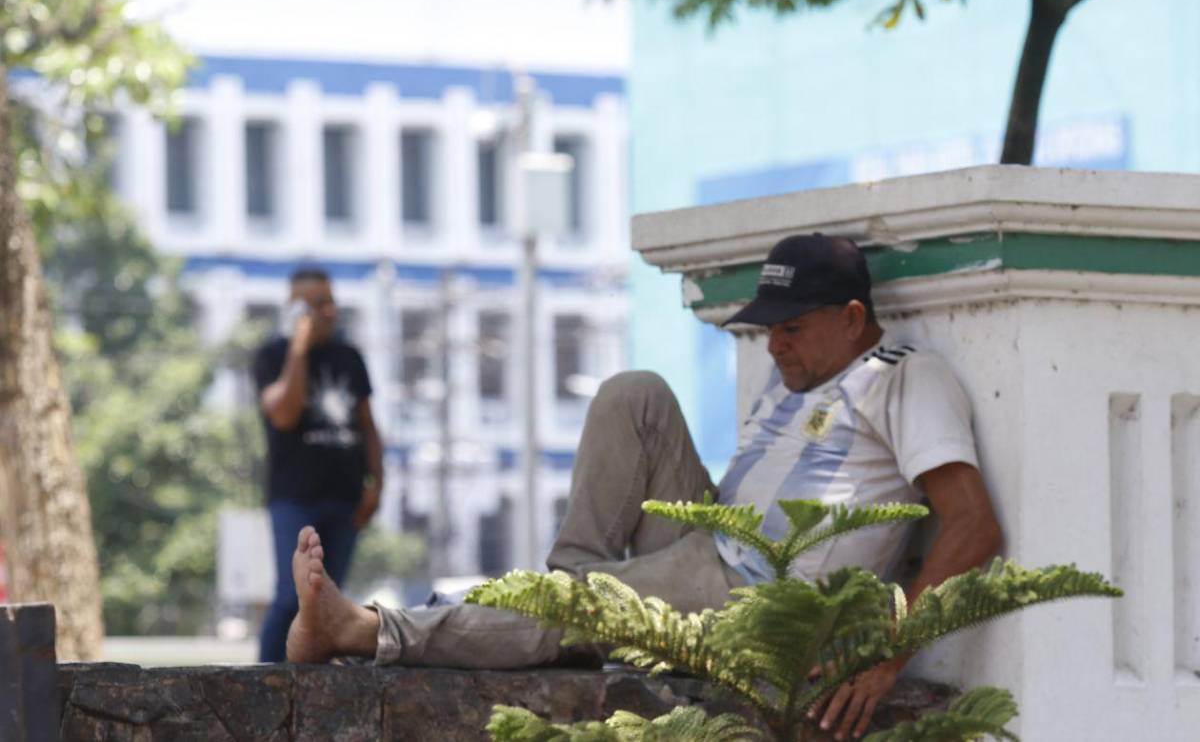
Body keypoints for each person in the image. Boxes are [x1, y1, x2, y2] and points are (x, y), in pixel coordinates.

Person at [283, 235, 1002, 740]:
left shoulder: (905, 375)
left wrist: (887, 655)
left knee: (585, 606)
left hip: (762, 596)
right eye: (768, 330)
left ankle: (369, 628)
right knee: (636, 393)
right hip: (714, 546)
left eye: (793, 328)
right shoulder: (798, 382)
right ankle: (566, 606)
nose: (775, 344)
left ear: (851, 319)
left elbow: (972, 525)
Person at [253, 266, 384, 662]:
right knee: (289, 597)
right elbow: (284, 414)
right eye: (318, 303)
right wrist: (299, 348)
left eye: (331, 301)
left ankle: (315, 686)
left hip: (343, 497)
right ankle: (266, 680)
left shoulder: (349, 357)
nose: (330, 311)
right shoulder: (272, 355)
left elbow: (367, 426)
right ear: (295, 309)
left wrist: (376, 483)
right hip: (295, 498)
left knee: (331, 601)